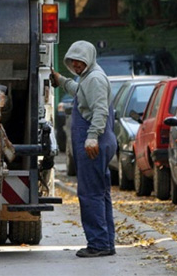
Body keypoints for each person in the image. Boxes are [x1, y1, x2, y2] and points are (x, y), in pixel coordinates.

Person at [50, 41, 116, 258]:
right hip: (100, 140)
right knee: (100, 193)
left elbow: (100, 110)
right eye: (72, 62)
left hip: (94, 142)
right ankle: (106, 242)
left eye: (79, 62)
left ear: (88, 59)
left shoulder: (95, 79)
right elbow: (80, 92)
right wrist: (62, 81)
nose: (76, 66)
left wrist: (92, 137)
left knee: (90, 194)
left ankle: (98, 244)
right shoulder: (89, 77)